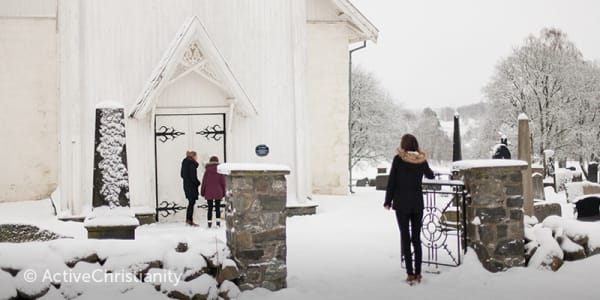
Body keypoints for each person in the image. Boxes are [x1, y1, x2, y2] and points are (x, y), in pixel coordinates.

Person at [384, 134, 435, 285]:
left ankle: (410, 274)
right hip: (417, 204)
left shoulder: (398, 159)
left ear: (403, 145)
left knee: (405, 238)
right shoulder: (421, 160)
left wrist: (387, 201)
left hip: (401, 204)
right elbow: (430, 176)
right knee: (416, 238)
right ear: (416, 145)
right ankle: (419, 273)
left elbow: (392, 181)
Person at [201, 156, 226, 228]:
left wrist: (202, 192)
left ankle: (209, 223)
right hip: (218, 191)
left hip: (209, 191)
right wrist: (224, 192)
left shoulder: (207, 171)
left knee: (210, 207)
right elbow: (223, 183)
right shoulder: (220, 170)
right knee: (217, 207)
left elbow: (204, 182)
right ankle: (218, 222)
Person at [181, 151, 201, 226]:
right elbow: (193, 177)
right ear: (193, 156)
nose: (197, 158)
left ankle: (189, 220)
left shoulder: (185, 164)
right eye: (196, 156)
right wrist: (198, 183)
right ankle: (189, 220)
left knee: (191, 203)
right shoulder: (191, 164)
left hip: (186, 186)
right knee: (191, 203)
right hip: (191, 187)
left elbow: (182, 175)